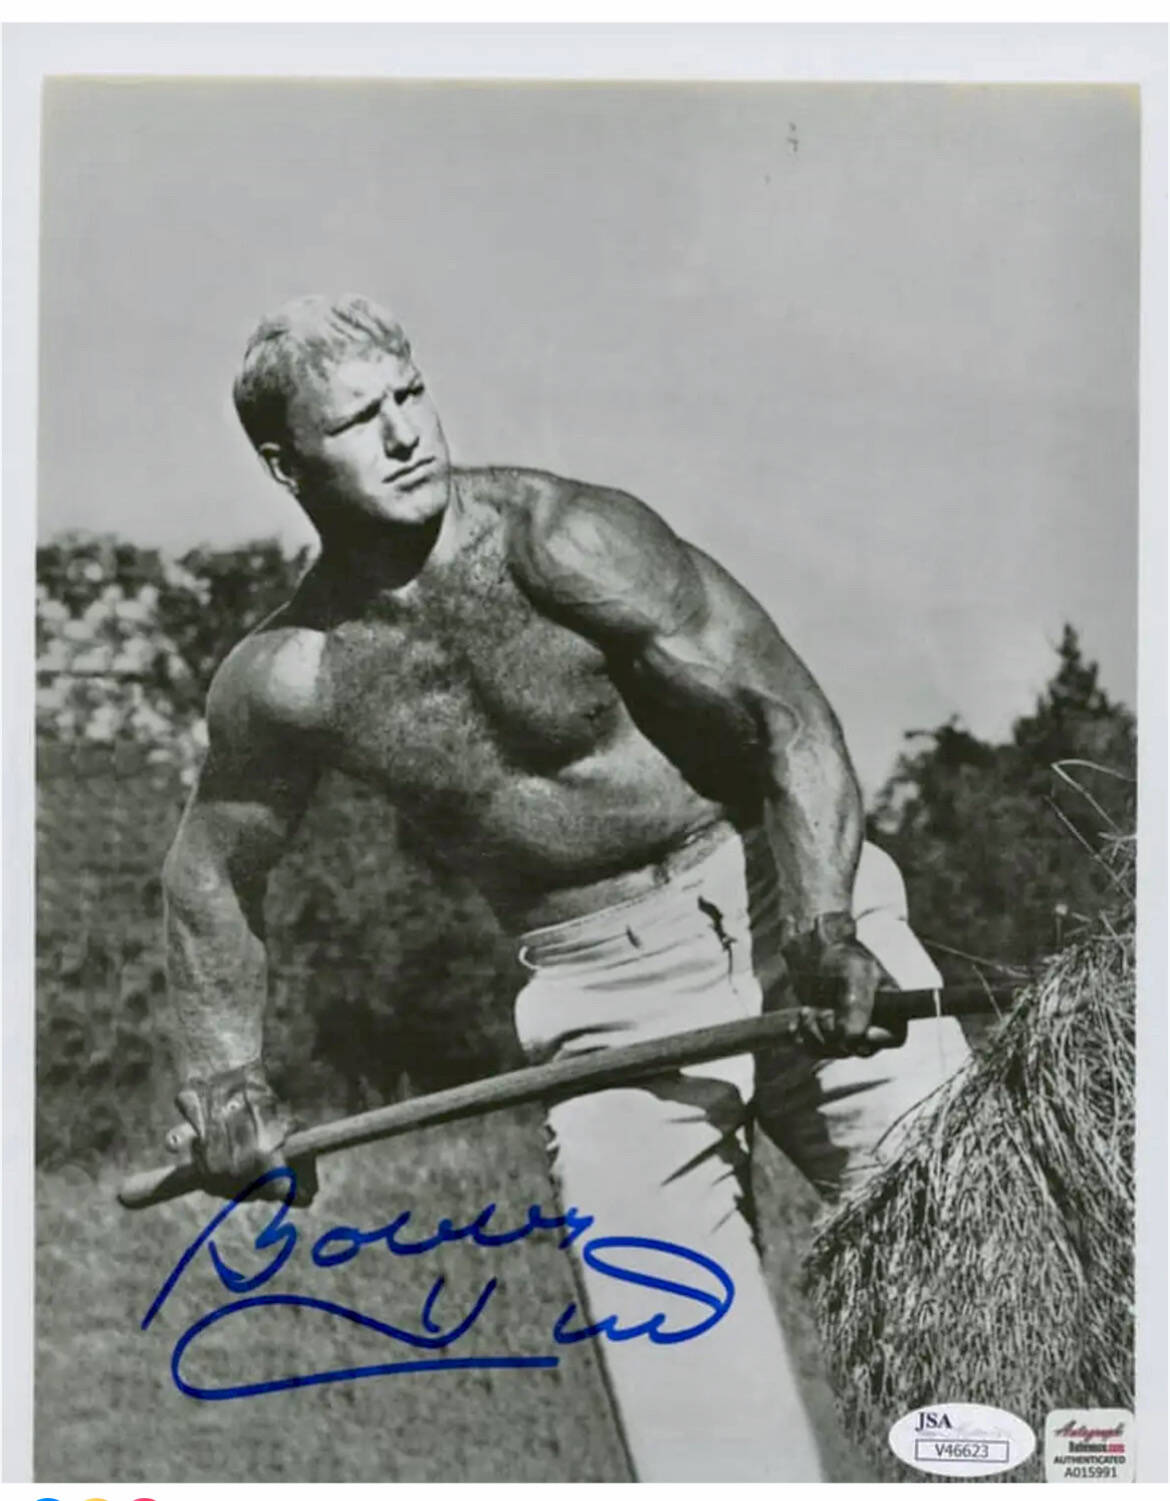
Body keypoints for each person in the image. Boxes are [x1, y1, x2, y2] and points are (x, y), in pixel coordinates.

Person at [162, 293, 970, 1481]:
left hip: (778, 905)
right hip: (597, 1004)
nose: (405, 435)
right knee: (697, 1424)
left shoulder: (567, 539)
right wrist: (225, 1080)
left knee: (976, 1296)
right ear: (288, 466)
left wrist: (826, 925)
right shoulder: (288, 675)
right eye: (359, 422)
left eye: (411, 396)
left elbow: (784, 712)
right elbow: (212, 870)